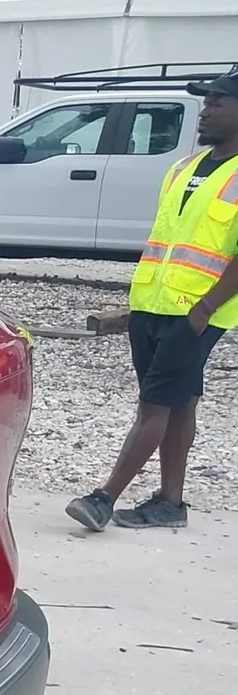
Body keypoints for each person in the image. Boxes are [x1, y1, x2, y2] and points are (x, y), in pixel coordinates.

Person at [67, 71, 238, 531]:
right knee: (181, 402)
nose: (205, 111)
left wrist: (204, 310)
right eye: (206, 102)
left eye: (218, 102)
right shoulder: (183, 169)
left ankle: (103, 499)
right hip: (151, 303)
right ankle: (170, 503)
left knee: (155, 403)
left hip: (197, 312)